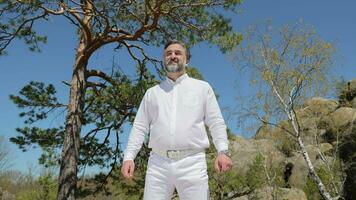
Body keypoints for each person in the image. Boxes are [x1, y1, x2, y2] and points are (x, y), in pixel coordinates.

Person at [121, 40, 233, 200]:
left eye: (177, 53)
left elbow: (216, 122)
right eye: (168, 53)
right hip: (157, 165)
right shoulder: (152, 93)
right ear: (163, 60)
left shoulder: (202, 88)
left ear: (187, 59)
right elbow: (139, 127)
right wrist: (129, 157)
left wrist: (223, 151)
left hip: (193, 163)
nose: (172, 56)